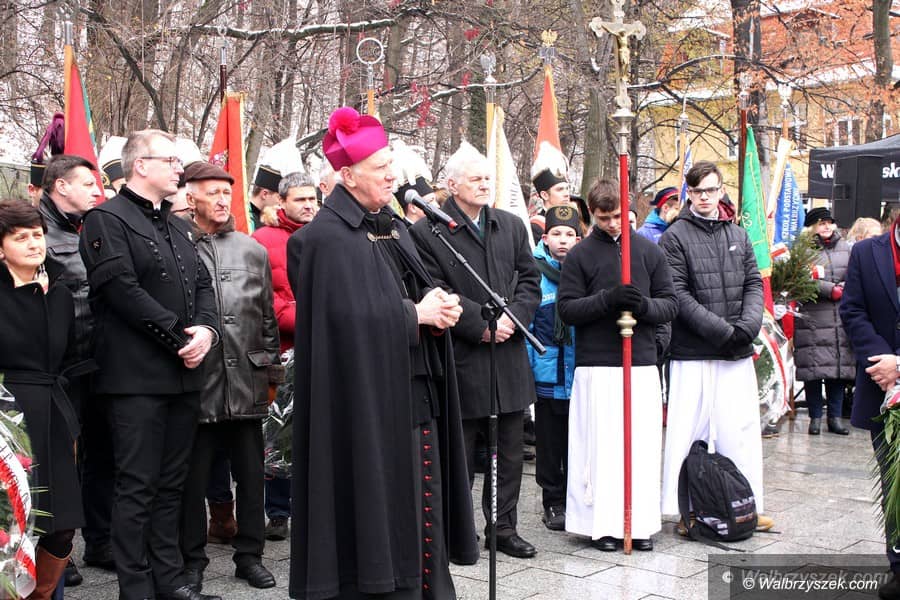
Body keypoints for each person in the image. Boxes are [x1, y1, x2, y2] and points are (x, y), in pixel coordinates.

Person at [287, 106, 477, 599]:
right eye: (380, 167)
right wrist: (414, 316)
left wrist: (440, 305)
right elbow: (342, 323)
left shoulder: (393, 225)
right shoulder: (325, 238)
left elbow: (411, 288)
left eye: (391, 163)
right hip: (364, 405)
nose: (393, 174)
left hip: (415, 391)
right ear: (348, 175)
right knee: (381, 508)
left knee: (421, 508)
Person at [79, 129, 221, 600]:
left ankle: (170, 579)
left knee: (172, 484)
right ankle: (135, 586)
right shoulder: (106, 219)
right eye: (171, 161)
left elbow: (203, 284)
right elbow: (121, 289)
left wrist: (207, 331)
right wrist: (180, 336)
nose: (179, 168)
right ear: (141, 165)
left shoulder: (177, 225)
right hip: (134, 377)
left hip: (182, 373)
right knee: (137, 485)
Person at [411, 141, 541, 559]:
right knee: (460, 453)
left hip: (508, 353)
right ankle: (456, 530)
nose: (485, 185)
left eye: (488, 178)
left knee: (510, 450)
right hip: (462, 355)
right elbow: (431, 287)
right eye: (476, 179)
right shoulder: (428, 232)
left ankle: (503, 528)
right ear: (452, 185)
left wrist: (512, 319)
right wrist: (479, 326)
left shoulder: (511, 225)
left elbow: (529, 279)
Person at [558, 180, 677, 552]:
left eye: (618, 217)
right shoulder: (580, 255)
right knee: (601, 448)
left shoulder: (649, 251)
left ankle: (638, 523)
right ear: (593, 215)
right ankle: (601, 525)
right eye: (604, 218)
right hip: (597, 364)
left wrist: (643, 306)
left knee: (640, 447)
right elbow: (568, 309)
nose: (612, 224)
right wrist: (607, 299)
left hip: (639, 362)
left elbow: (670, 304)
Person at [178, 161, 281, 591]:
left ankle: (250, 556)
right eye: (212, 192)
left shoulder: (251, 250)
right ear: (191, 197)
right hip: (198, 383)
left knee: (252, 476)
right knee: (193, 479)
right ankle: (191, 561)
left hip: (247, 381)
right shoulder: (177, 244)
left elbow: (267, 317)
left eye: (226, 192)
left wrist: (271, 372)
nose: (222, 200)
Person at [658, 161, 772, 531]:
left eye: (710, 190)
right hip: (694, 351)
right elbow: (678, 294)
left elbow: (753, 283)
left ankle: (746, 503)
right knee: (688, 433)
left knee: (740, 431)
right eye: (697, 191)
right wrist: (723, 331)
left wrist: (748, 326)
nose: (704, 197)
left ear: (721, 190)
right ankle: (685, 509)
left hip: (735, 350)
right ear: (689, 194)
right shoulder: (674, 236)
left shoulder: (737, 233)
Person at [0, 200, 88, 599]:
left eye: (37, 234)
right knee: (11, 524)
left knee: (62, 525)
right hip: (8, 417)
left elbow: (68, 356)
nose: (34, 243)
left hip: (53, 412)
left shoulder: (61, 292)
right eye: (21, 238)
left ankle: (42, 593)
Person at [38, 155, 111, 586]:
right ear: (61, 186)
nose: (96, 191)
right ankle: (58, 551)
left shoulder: (89, 230)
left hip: (96, 364)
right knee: (59, 463)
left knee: (101, 456)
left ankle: (100, 540)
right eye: (86, 183)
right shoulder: (36, 234)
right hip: (59, 369)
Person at [253, 171, 318, 541]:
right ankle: (277, 512)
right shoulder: (263, 240)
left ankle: (314, 507)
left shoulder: (327, 235)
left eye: (312, 199)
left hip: (324, 348)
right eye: (300, 199)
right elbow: (266, 300)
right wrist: (314, 317)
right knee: (280, 433)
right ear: (281, 202)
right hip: (283, 350)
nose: (308, 206)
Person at [840, 213, 900, 599]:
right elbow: (852, 310)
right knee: (895, 480)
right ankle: (899, 565)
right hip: (883, 386)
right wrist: (883, 362)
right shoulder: (866, 252)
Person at [527, 206, 581, 532]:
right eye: (556, 234)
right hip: (547, 375)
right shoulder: (534, 273)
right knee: (549, 443)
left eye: (569, 234)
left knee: (577, 439)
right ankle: (553, 500)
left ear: (578, 239)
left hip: (578, 375)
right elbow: (528, 328)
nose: (563, 240)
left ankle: (575, 497)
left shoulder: (584, 270)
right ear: (545, 238)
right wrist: (530, 370)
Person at [794, 207, 853, 435]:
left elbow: (855, 275)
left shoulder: (846, 248)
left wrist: (844, 288)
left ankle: (835, 418)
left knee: (837, 371)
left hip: (840, 317)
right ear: (812, 227)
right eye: (821, 223)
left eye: (829, 222)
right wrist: (830, 289)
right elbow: (800, 278)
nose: (827, 226)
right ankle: (815, 417)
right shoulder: (802, 250)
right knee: (813, 371)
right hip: (813, 316)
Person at [529, 141, 571, 243]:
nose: (566, 194)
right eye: (560, 189)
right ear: (545, 195)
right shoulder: (536, 227)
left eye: (567, 188)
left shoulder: (572, 223)